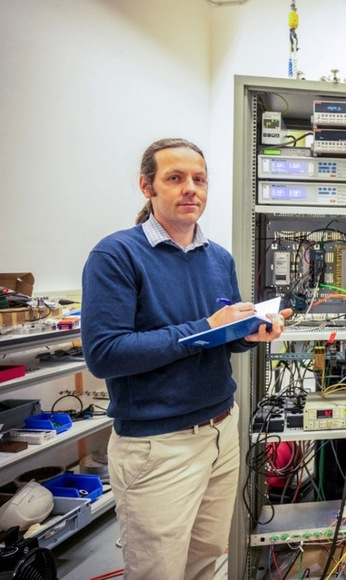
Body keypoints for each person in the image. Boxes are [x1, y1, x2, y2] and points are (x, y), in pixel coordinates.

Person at [82, 138, 290, 580]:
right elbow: (105, 354)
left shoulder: (218, 258)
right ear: (147, 187)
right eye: (175, 178)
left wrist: (251, 334)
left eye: (198, 179)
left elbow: (221, 339)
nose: (190, 188)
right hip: (158, 446)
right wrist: (205, 327)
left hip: (220, 432)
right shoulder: (116, 255)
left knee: (204, 562)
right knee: (159, 570)